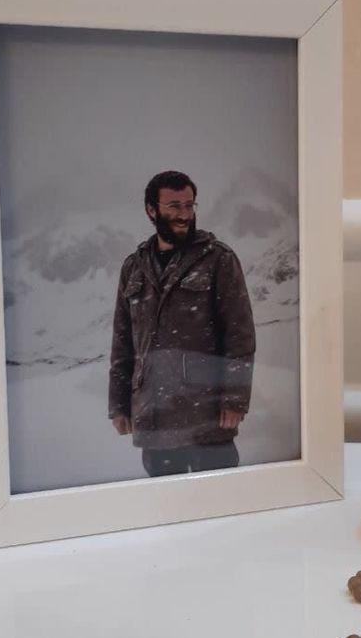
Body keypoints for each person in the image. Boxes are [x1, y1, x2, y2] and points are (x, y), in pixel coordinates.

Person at [108, 170, 256, 477]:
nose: (185, 215)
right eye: (174, 206)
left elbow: (239, 336)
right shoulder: (133, 267)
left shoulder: (218, 259)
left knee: (218, 498)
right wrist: (119, 405)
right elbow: (123, 342)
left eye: (189, 205)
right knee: (165, 500)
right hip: (154, 416)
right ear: (151, 210)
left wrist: (235, 399)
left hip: (206, 414)